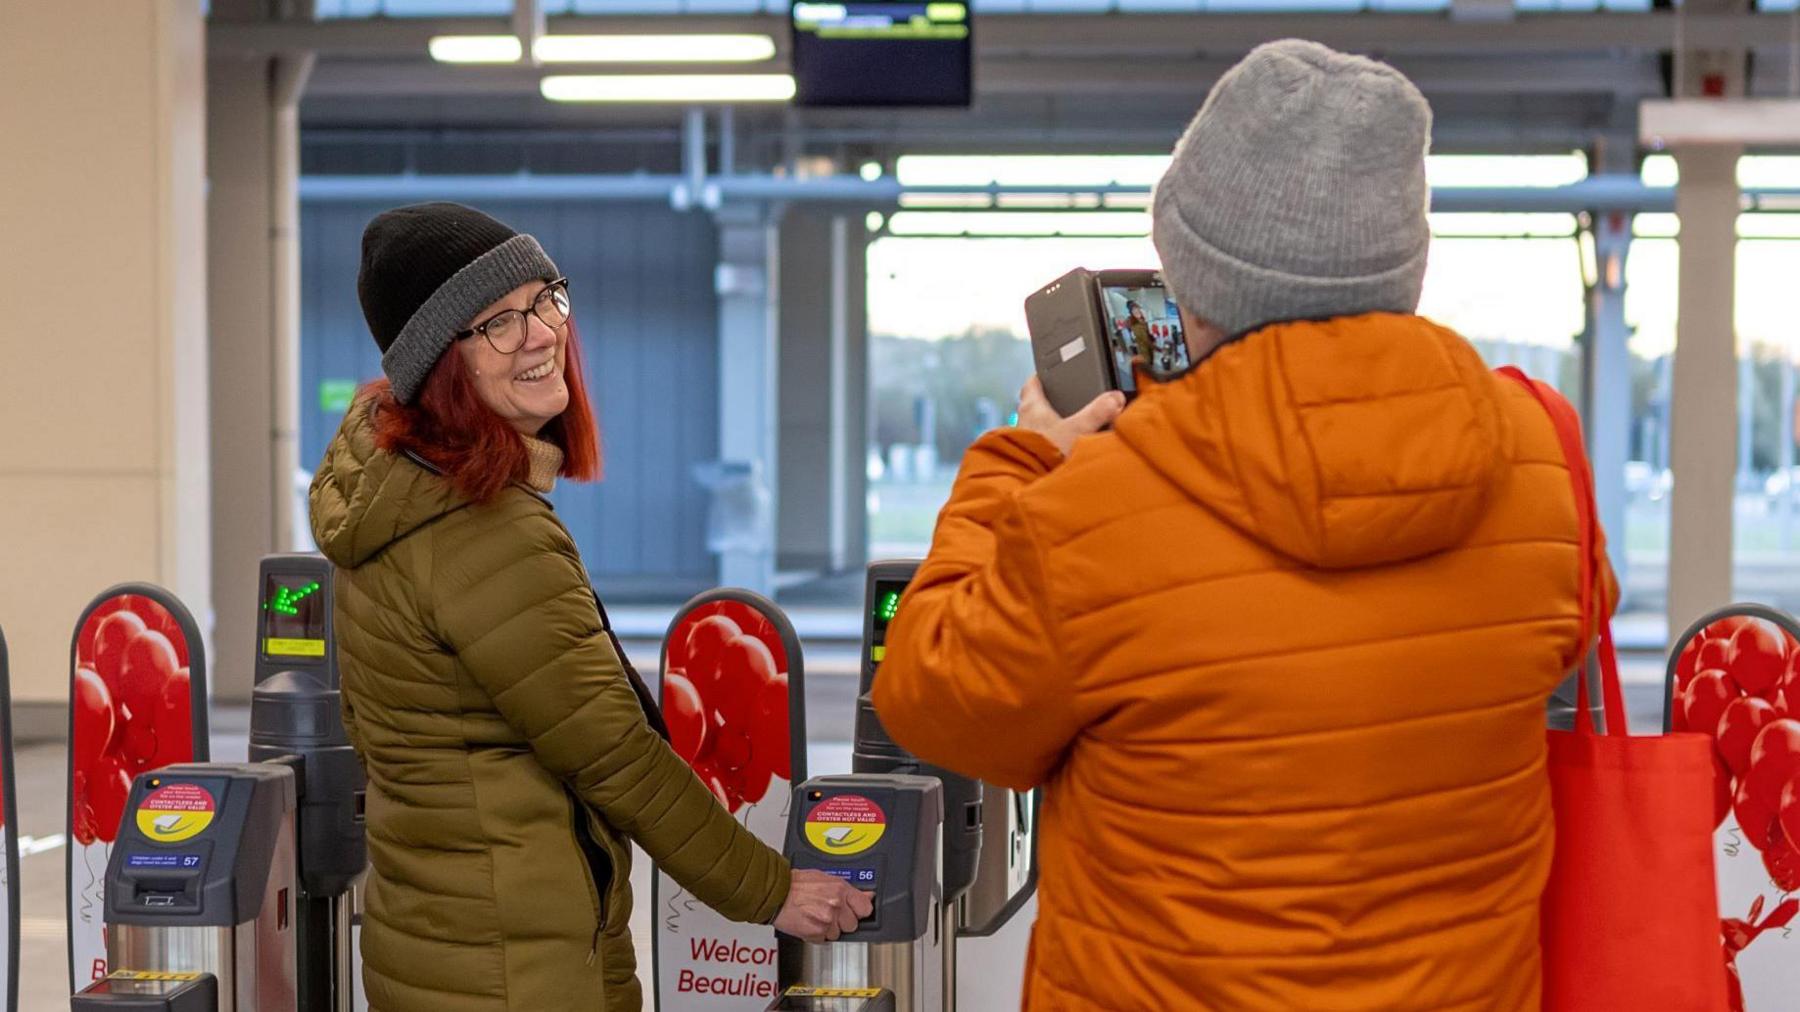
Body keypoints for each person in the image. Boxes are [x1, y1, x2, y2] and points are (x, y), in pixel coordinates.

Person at [870, 41, 1614, 1010]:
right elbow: (1571, 618)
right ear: (1400, 265)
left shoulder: (1100, 502)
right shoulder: (1539, 458)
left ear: (1192, 273)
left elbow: (931, 699)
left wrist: (1026, 457)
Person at [309, 202, 870, 1012]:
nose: (542, 334)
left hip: (447, 939)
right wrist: (772, 890)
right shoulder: (481, 532)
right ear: (439, 363)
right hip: (516, 967)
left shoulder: (405, 497)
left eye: (546, 299)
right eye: (498, 323)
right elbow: (613, 756)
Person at [1125, 300, 1154, 364]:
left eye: (1137, 308)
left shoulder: (1141, 318)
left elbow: (1146, 329)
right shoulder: (1130, 320)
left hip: (1146, 342)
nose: (1137, 310)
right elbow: (1132, 332)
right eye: (1134, 309)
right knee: (1146, 360)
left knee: (1150, 359)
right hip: (1142, 344)